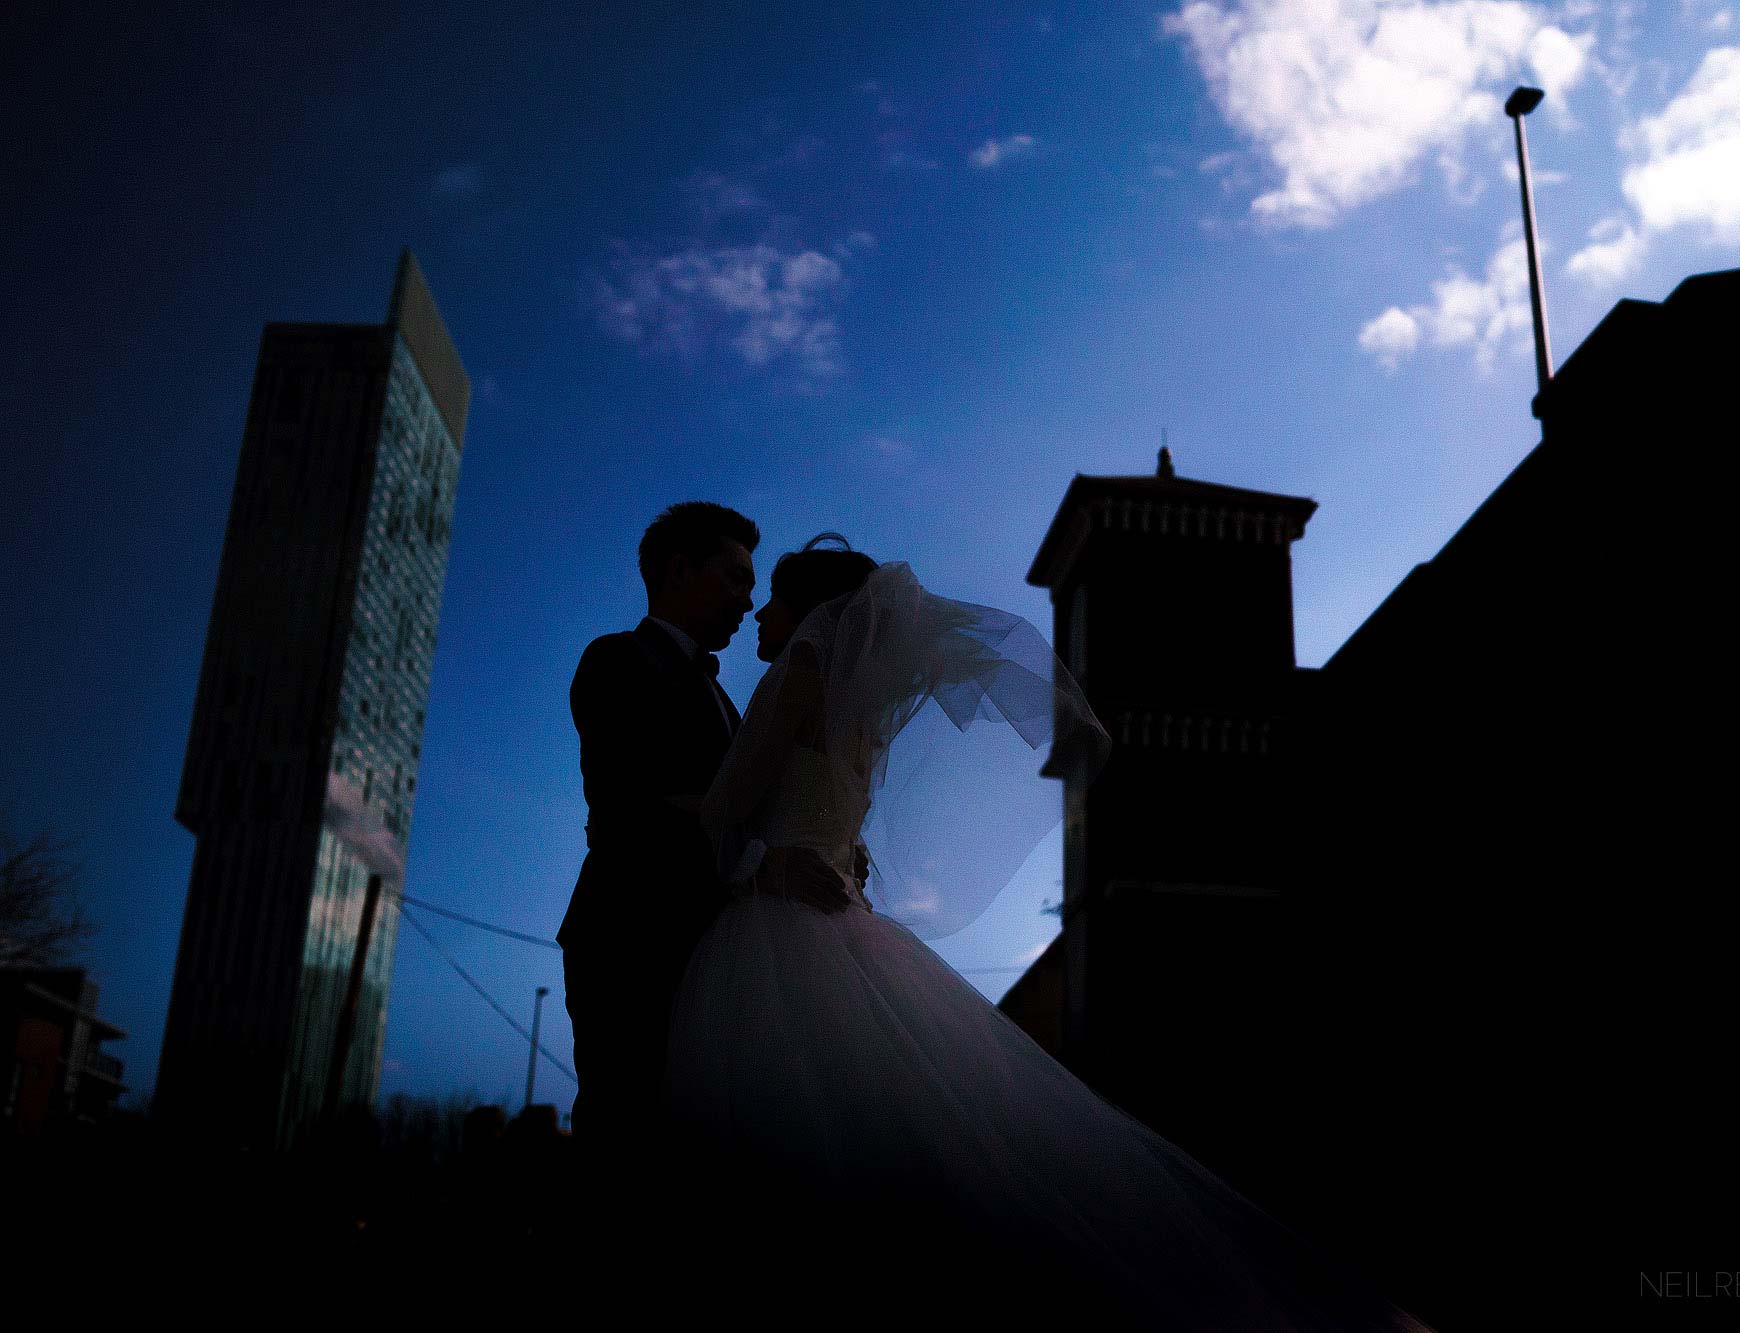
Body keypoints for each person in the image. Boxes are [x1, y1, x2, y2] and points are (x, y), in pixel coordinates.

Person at [668, 535, 1422, 1331]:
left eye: (776, 596)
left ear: (819, 611)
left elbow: (726, 811)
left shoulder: (807, 672)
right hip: (845, 928)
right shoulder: (869, 713)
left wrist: (756, 865)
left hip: (784, 929)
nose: (761, 609)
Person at [558, 503, 855, 1176]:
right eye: (734, 578)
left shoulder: (730, 703)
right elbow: (626, 808)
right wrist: (760, 859)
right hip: (630, 942)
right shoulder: (616, 659)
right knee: (628, 1141)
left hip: (712, 958)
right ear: (678, 569)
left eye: (755, 588)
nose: (748, 601)